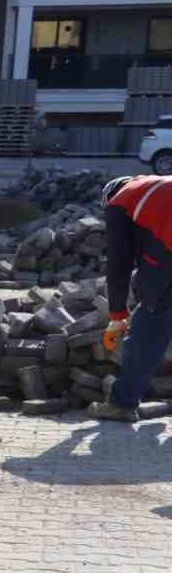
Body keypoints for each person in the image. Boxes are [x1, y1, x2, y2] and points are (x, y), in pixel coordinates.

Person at [90, 175, 172, 422]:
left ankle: (122, 404)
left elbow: (119, 264)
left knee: (148, 328)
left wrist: (117, 315)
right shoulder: (154, 187)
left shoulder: (120, 203)